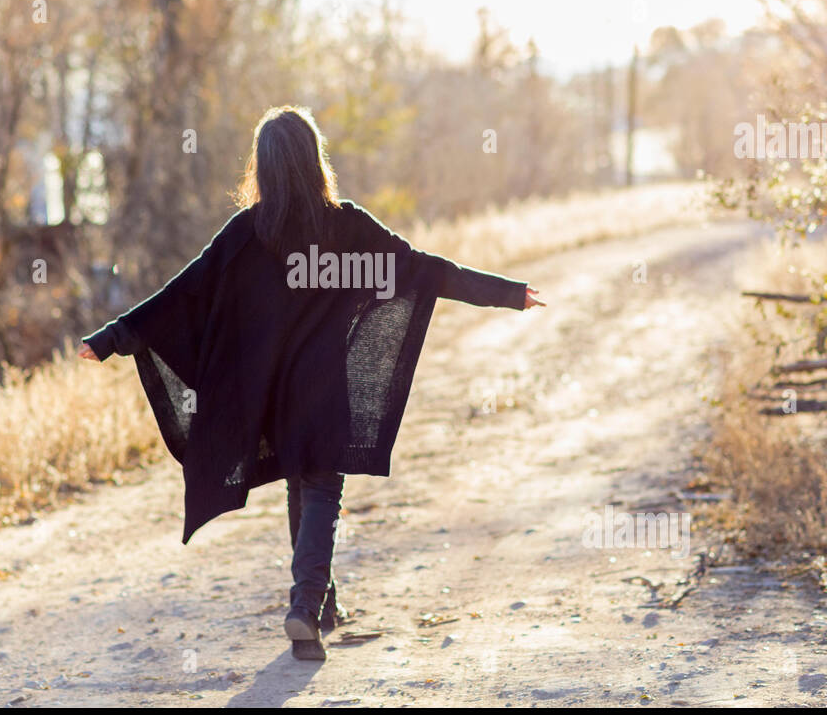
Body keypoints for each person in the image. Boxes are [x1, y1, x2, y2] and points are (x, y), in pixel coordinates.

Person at [80, 105, 544, 661]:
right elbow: (426, 270)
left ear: (265, 168)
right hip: (325, 391)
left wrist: (111, 337)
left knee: (303, 485)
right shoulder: (347, 226)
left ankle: (320, 607)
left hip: (271, 394)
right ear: (313, 159)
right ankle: (304, 605)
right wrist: (508, 293)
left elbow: (183, 293)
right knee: (320, 486)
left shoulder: (245, 234)